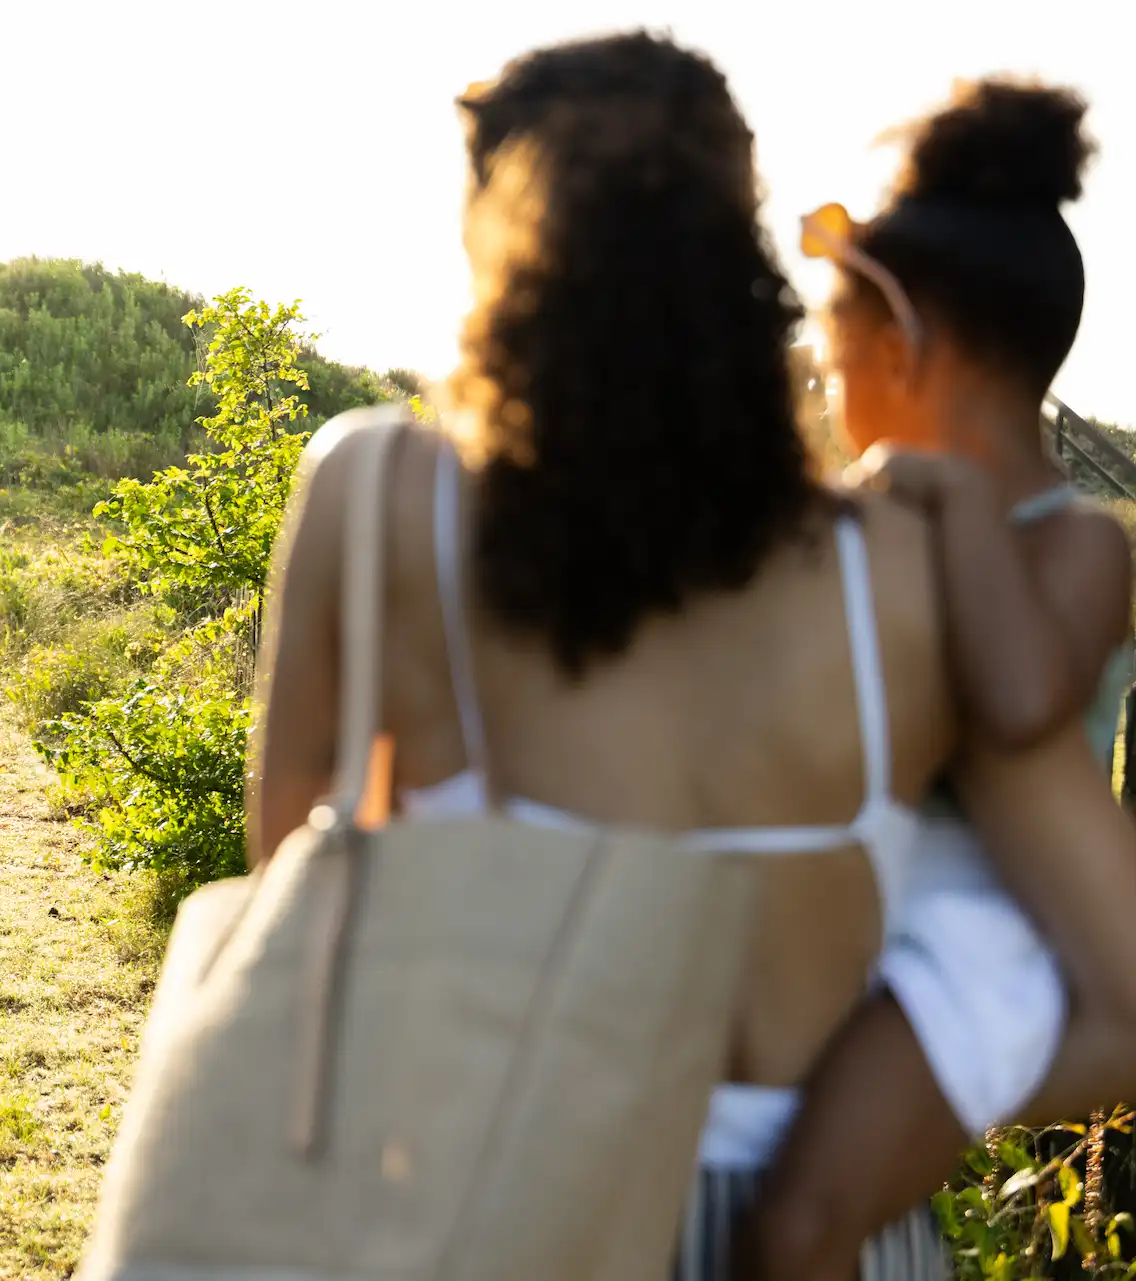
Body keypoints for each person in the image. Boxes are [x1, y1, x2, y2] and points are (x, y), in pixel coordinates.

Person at [245, 33, 1136, 1281]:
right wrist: (909, 1073)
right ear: (741, 249)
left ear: (498, 240)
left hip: (494, 1216)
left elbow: (299, 887)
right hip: (836, 1231)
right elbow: (1119, 996)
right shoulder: (909, 558)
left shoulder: (378, 492)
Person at [743, 81, 1136, 1279]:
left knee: (799, 1223)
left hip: (982, 943)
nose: (823, 374)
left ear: (907, 351)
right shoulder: (893, 515)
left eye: (836, 343)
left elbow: (1020, 703)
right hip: (884, 912)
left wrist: (953, 502)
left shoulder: (1079, 541)